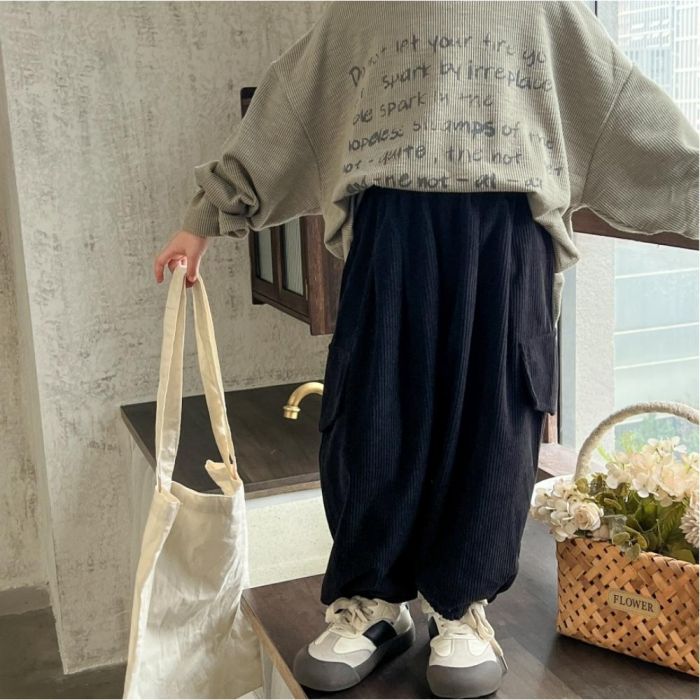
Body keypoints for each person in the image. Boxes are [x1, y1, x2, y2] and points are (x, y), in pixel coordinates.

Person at [154, 2, 698, 697]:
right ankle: (374, 602)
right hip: (389, 234)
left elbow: (627, 114)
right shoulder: (363, 11)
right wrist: (206, 216)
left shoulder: (544, 10)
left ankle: (461, 609)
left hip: (507, 240)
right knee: (371, 417)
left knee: (494, 422)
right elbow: (292, 105)